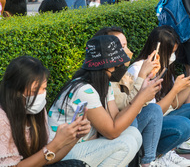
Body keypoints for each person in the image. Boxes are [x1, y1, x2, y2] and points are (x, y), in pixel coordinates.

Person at [49, 34, 161, 166]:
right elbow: (112, 132)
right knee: (125, 144)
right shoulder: (84, 90)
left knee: (133, 133)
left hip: (81, 146)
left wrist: (141, 93)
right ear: (104, 67)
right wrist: (141, 99)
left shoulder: (105, 84)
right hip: (61, 153)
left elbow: (115, 118)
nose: (121, 67)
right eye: (117, 64)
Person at [0, 56, 90, 166]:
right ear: (16, 91)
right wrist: (56, 143)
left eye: (44, 88)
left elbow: (47, 158)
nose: (41, 94)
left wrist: (75, 136)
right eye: (35, 90)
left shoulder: (37, 111)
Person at [100, 26, 186, 167]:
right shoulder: (131, 70)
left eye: (126, 45)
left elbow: (146, 105)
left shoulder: (122, 71)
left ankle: (148, 162)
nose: (126, 51)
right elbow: (126, 107)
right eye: (121, 46)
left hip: (145, 120)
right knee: (136, 119)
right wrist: (142, 77)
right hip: (116, 132)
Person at [129, 26, 190, 158]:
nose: (173, 56)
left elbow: (175, 104)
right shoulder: (139, 70)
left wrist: (189, 80)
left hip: (163, 117)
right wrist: (175, 89)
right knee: (183, 125)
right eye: (170, 52)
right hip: (147, 125)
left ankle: (170, 149)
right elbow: (155, 112)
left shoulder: (164, 68)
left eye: (174, 52)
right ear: (158, 50)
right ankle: (156, 155)